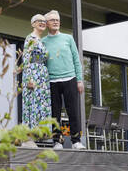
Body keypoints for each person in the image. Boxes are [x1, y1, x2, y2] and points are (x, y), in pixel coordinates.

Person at [42, 10, 86, 150]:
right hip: (52, 81)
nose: (56, 22)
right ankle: (57, 141)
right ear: (47, 24)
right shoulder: (43, 42)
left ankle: (76, 141)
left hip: (70, 78)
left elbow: (76, 60)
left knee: (73, 111)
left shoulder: (68, 39)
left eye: (57, 19)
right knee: (54, 113)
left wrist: (79, 80)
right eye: (52, 20)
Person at [21, 14, 52, 148]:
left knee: (41, 105)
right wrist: (29, 78)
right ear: (33, 24)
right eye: (39, 21)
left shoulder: (42, 40)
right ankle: (27, 138)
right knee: (31, 104)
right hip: (33, 73)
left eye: (44, 21)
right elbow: (26, 58)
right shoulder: (30, 38)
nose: (42, 23)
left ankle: (40, 135)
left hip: (42, 76)